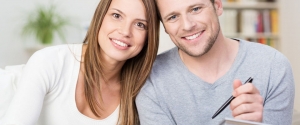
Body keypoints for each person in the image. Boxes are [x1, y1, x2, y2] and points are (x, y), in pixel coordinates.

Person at [136, 0, 295, 124]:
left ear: (218, 5)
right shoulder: (150, 80)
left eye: (196, 9)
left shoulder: (273, 66)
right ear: (164, 27)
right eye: (173, 17)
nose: (187, 25)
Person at [1, 0, 159, 124]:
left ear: (149, 37)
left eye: (140, 24)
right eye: (117, 16)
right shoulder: (50, 61)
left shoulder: (142, 91)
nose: (125, 31)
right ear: (100, 16)